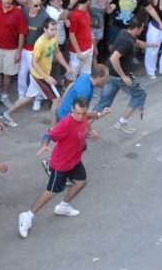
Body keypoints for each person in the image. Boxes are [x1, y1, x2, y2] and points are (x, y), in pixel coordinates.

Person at [18, 98, 106, 238]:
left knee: (81, 182)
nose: (80, 116)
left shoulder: (83, 116)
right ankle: (27, 216)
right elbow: (48, 134)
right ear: (72, 109)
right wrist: (44, 145)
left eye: (83, 113)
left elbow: (89, 117)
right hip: (61, 163)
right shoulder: (65, 124)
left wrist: (99, 118)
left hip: (75, 160)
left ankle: (63, 207)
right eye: (78, 113)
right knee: (51, 192)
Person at [95, 15, 152, 135]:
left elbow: (136, 43)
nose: (142, 30)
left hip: (109, 73)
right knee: (140, 94)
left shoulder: (125, 33)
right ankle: (122, 122)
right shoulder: (127, 41)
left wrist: (151, 45)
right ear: (137, 28)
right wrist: (124, 77)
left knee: (104, 103)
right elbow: (114, 58)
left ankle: (83, 125)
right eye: (141, 28)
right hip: (118, 75)